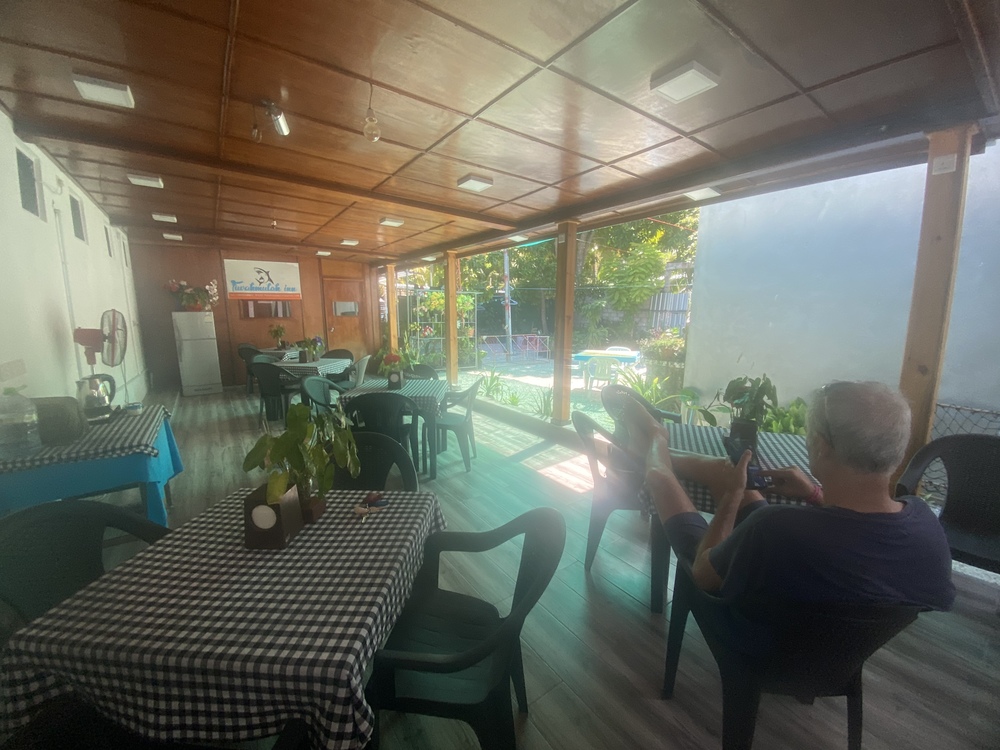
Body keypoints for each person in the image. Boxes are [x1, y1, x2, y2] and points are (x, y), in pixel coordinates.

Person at [625, 381, 955, 612]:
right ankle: (659, 454)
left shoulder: (778, 527)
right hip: (829, 650)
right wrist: (814, 493)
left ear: (821, 447)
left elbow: (702, 574)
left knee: (658, 476)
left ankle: (657, 441)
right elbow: (859, 533)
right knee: (729, 472)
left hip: (747, 629)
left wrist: (732, 497)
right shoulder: (926, 529)